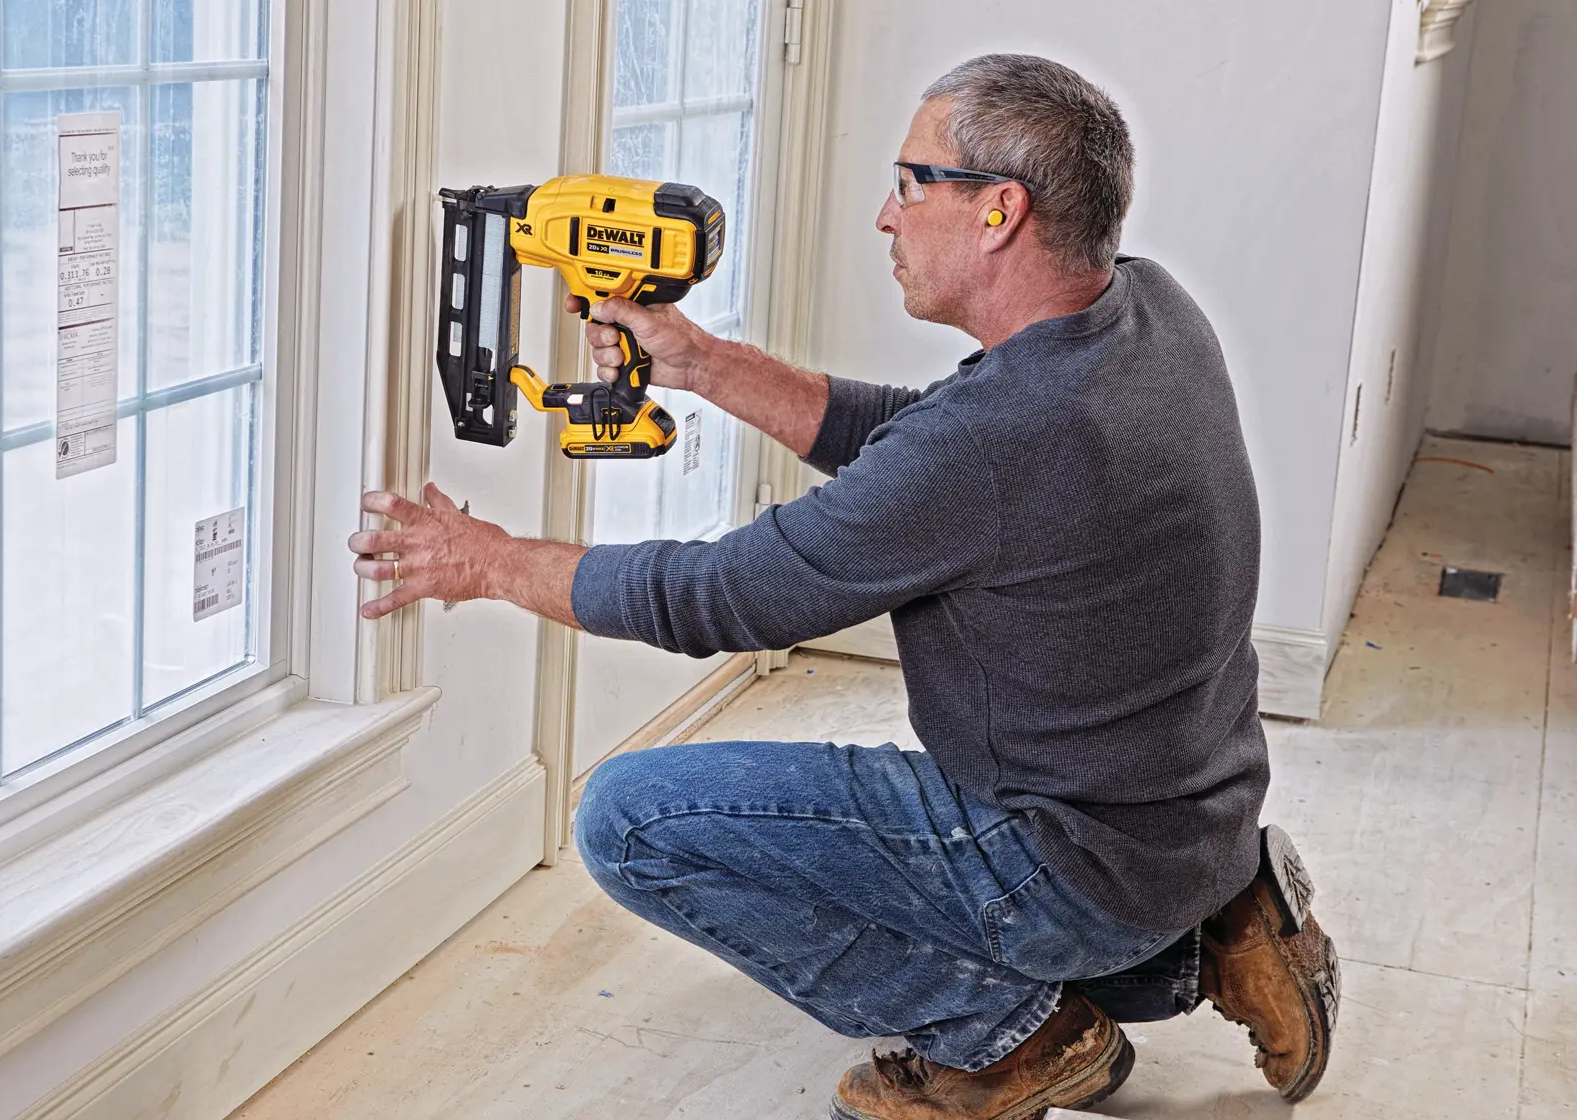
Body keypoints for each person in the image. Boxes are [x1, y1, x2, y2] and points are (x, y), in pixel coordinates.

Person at [350, 53, 1339, 1120]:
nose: (886, 213)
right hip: (1194, 819)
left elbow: (722, 596)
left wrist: (487, 559)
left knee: (630, 819)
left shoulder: (1002, 437)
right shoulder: (1146, 312)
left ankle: (1011, 1039)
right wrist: (700, 362)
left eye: (913, 182)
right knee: (1049, 873)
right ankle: (1225, 927)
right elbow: (916, 445)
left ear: (1000, 212)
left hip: (1070, 860)